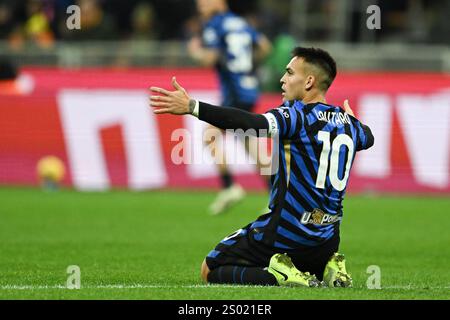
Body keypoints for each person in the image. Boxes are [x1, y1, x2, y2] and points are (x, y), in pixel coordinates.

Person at [150, 47, 374, 287]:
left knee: (209, 269)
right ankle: (330, 266)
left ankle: (278, 276)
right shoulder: (350, 125)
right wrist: (353, 120)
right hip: (326, 242)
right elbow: (368, 137)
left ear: (309, 81)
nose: (282, 79)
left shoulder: (295, 116)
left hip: (285, 235)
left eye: (289, 73)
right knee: (307, 256)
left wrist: (193, 107)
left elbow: (250, 123)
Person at [187, 0, 272, 215]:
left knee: (210, 134)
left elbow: (209, 58)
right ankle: (277, 197)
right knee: (250, 143)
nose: (201, 4)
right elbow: (265, 47)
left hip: (234, 93)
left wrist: (195, 51)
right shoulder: (241, 23)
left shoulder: (214, 24)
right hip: (249, 89)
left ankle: (229, 186)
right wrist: (247, 69)